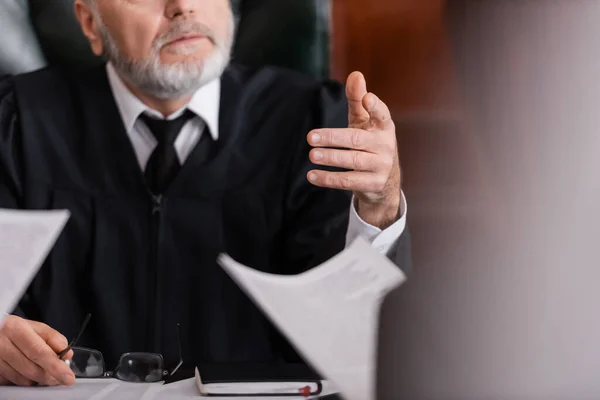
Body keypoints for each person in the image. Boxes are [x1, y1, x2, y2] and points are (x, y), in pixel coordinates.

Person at [0, 0, 411, 387]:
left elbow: (353, 328)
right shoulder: (16, 125)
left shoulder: (316, 126)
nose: (183, 6)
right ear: (90, 22)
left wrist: (380, 206)